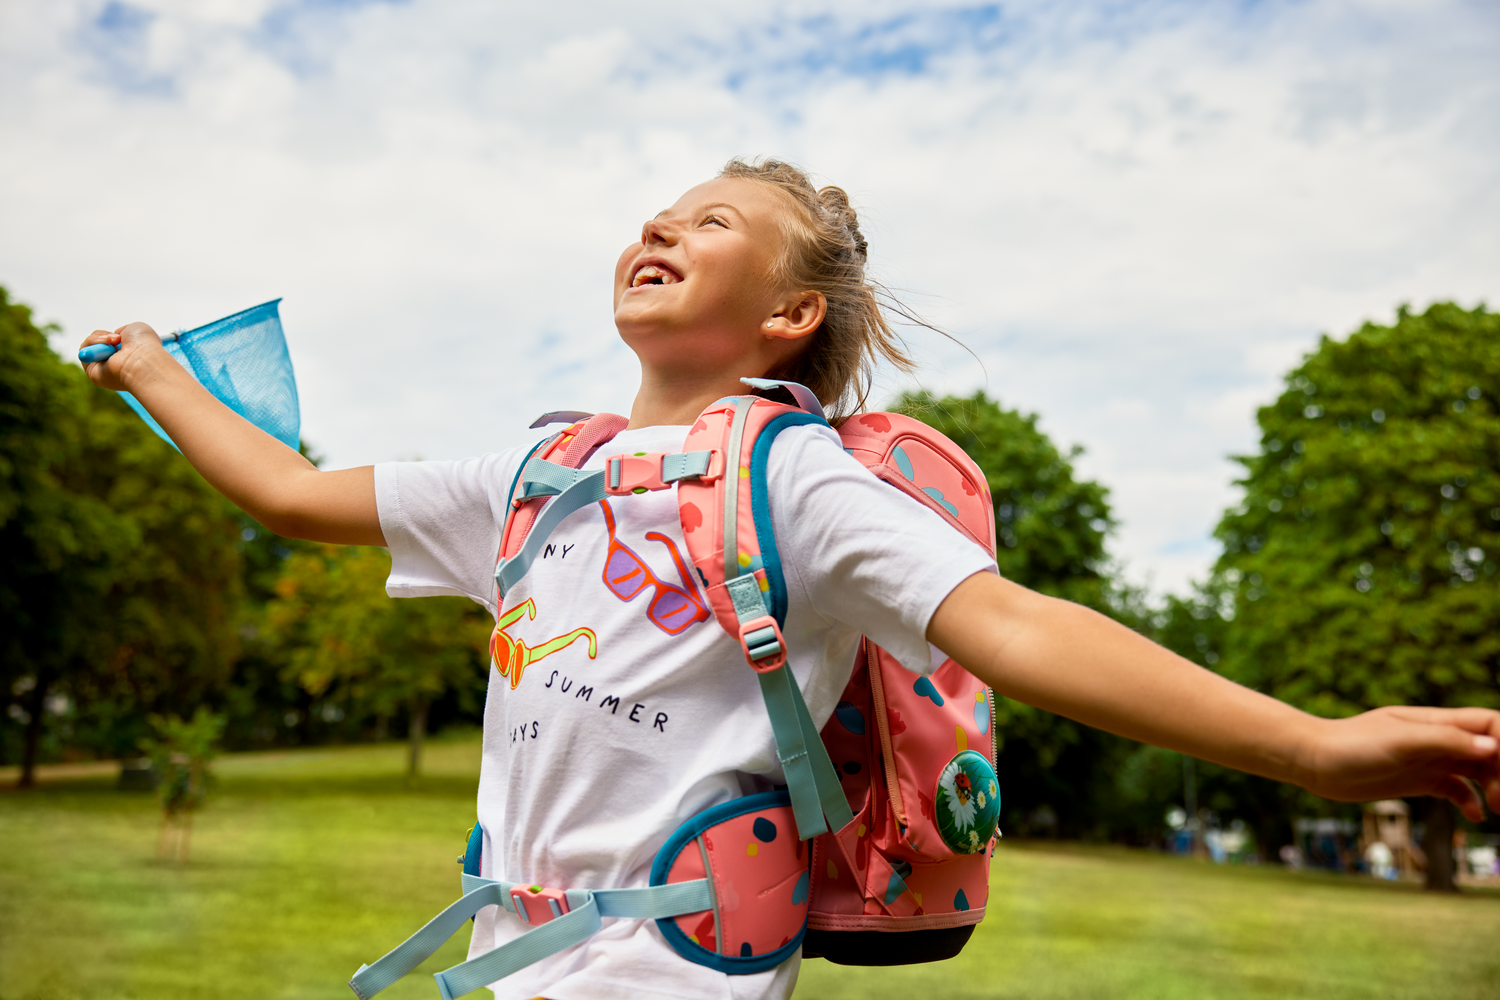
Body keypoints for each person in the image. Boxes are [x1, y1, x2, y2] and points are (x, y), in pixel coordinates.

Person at [80, 158, 1500, 1000]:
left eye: (707, 222)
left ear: (786, 312)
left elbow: (1015, 628)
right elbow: (284, 488)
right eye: (658, 212)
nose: (662, 228)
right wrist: (155, 372)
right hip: (512, 965)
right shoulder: (529, 477)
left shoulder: (799, 482)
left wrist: (1316, 749)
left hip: (667, 976)